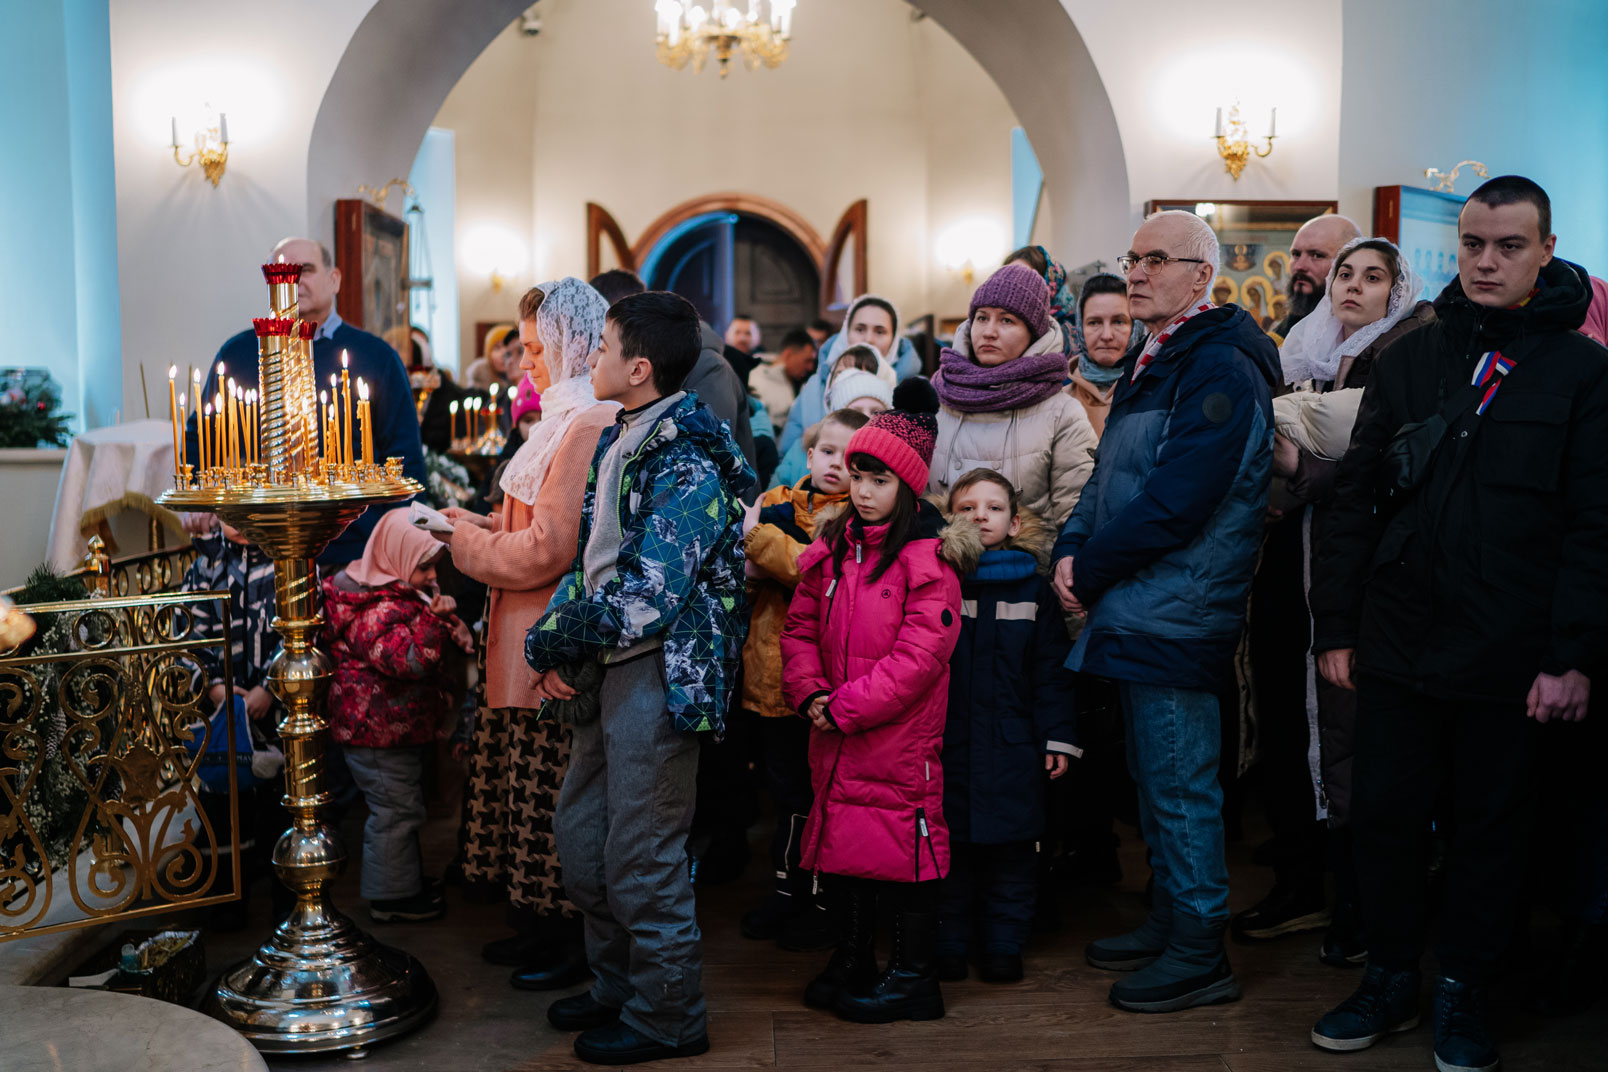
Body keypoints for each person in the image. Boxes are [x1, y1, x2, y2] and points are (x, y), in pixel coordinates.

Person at [1307, 176, 1608, 1071]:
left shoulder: (1583, 372)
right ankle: (1390, 977)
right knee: (1386, 822)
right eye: (1473, 243)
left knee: (1491, 832)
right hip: (1401, 637)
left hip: (1511, 652)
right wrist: (1336, 627)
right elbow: (1355, 500)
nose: (1486, 261)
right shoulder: (1412, 358)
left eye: (1509, 246)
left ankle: (1465, 988)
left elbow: (1595, 526)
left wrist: (1572, 657)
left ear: (1546, 251)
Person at [1051, 209, 1278, 1013]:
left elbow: (1178, 502)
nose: (1137, 272)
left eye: (1157, 259)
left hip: (1180, 606)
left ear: (1201, 276)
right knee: (1153, 779)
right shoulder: (1159, 356)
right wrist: (1070, 546)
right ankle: (1171, 920)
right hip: (1138, 599)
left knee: (1181, 784)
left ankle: (1200, 951)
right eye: (1133, 257)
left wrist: (1089, 568)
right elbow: (1109, 475)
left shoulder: (1220, 366)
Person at [526, 290, 751, 1065]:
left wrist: (553, 640)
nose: (591, 356)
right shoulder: (624, 433)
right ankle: (616, 985)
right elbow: (593, 562)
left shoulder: (686, 462)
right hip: (609, 665)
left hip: (662, 672)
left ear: (639, 368)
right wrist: (560, 636)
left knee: (644, 855)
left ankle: (668, 1017)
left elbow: (650, 594)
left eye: (604, 346)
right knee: (584, 836)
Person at [1234, 240, 1435, 960]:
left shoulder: (1408, 359)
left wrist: (1304, 470)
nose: (1351, 286)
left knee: (1351, 736)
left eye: (1372, 277)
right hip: (1288, 564)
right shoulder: (1305, 352)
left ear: (1397, 292)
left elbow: (1390, 468)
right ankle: (1301, 884)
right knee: (1289, 727)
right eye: (1343, 275)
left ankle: (1358, 905)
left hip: (1359, 577)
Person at [444, 281, 619, 988]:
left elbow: (550, 548)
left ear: (574, 345)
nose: (526, 363)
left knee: (554, 800)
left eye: (536, 348)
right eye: (523, 348)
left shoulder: (588, 422)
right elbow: (526, 524)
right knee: (527, 794)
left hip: (551, 638)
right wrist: (476, 525)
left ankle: (567, 941)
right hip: (521, 628)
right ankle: (534, 927)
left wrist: (467, 547)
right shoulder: (557, 420)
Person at [780, 409, 967, 1024]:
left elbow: (920, 658)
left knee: (908, 846)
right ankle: (854, 956)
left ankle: (915, 976)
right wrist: (810, 692)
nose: (862, 491)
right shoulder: (836, 548)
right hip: (836, 728)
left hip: (896, 737)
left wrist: (844, 708)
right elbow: (800, 626)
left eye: (879, 480)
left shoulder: (928, 560)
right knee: (848, 845)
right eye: (857, 476)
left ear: (907, 486)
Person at [184, 237, 427, 566]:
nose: (292, 280)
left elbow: (405, 461)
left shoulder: (376, 357)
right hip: (252, 552)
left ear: (334, 279)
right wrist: (201, 502)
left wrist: (388, 553)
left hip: (353, 554)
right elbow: (202, 437)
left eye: (305, 270)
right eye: (279, 272)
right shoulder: (237, 354)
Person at [937, 468, 1077, 985]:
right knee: (948, 849)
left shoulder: (1034, 592)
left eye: (994, 508)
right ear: (949, 520)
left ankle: (1003, 943)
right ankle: (948, 942)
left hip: (1013, 746)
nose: (981, 516)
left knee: (1014, 852)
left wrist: (1058, 736)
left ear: (1015, 523)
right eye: (967, 507)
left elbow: (1051, 671)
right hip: (947, 744)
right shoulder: (939, 582)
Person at [737, 407, 870, 947]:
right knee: (785, 792)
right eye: (828, 451)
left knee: (819, 794)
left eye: (850, 458)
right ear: (810, 455)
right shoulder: (777, 502)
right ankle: (786, 890)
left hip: (821, 686)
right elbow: (746, 575)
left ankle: (820, 898)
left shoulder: (853, 519)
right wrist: (755, 558)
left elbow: (813, 567)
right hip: (767, 680)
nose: (836, 464)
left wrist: (758, 540)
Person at [323, 508, 474, 923]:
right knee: (395, 812)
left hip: (391, 730)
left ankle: (402, 881)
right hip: (375, 734)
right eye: (424, 567)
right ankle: (391, 898)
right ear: (396, 557)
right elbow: (408, 661)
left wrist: (449, 625)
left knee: (403, 807)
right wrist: (434, 623)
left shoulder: (396, 592)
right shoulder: (375, 608)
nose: (432, 576)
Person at [930, 264, 1099, 528]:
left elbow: (1075, 514)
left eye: (1007, 320)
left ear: (1033, 334)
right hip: (939, 550)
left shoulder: (1063, 414)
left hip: (1025, 552)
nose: (989, 331)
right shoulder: (936, 398)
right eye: (982, 318)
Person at [184, 521, 290, 929]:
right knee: (225, 808)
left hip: (276, 712)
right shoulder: (205, 566)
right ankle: (228, 904)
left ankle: (288, 903)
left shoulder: (284, 559)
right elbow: (191, 633)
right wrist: (214, 686)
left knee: (279, 808)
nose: (238, 519)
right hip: (223, 710)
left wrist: (269, 687)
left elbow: (297, 629)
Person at [779, 295, 921, 458]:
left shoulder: (915, 393)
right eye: (860, 329)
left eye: (880, 331)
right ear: (846, 333)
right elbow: (788, 453)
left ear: (894, 339)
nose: (868, 339)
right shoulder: (816, 386)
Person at [1067, 274, 1142, 438]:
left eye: (1118, 322)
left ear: (1135, 327)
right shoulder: (1060, 402)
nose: (1107, 335)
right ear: (1080, 327)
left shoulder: (1155, 395)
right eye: (1094, 322)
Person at [1272, 215, 1363, 336]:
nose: (1300, 266)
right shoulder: (1280, 338)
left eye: (1317, 255)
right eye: (1296, 254)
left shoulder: (1367, 332)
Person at [1004, 245, 1083, 357]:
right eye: (1008, 278)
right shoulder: (995, 324)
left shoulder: (1075, 337)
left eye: (1025, 279)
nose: (1014, 287)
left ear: (1049, 285)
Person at [749, 328, 818, 435]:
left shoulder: (805, 382)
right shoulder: (757, 378)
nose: (810, 367)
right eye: (807, 360)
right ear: (788, 355)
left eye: (812, 362)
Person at [466, 323, 517, 390]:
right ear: (488, 353)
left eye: (508, 347)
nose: (504, 353)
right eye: (497, 348)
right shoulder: (479, 376)